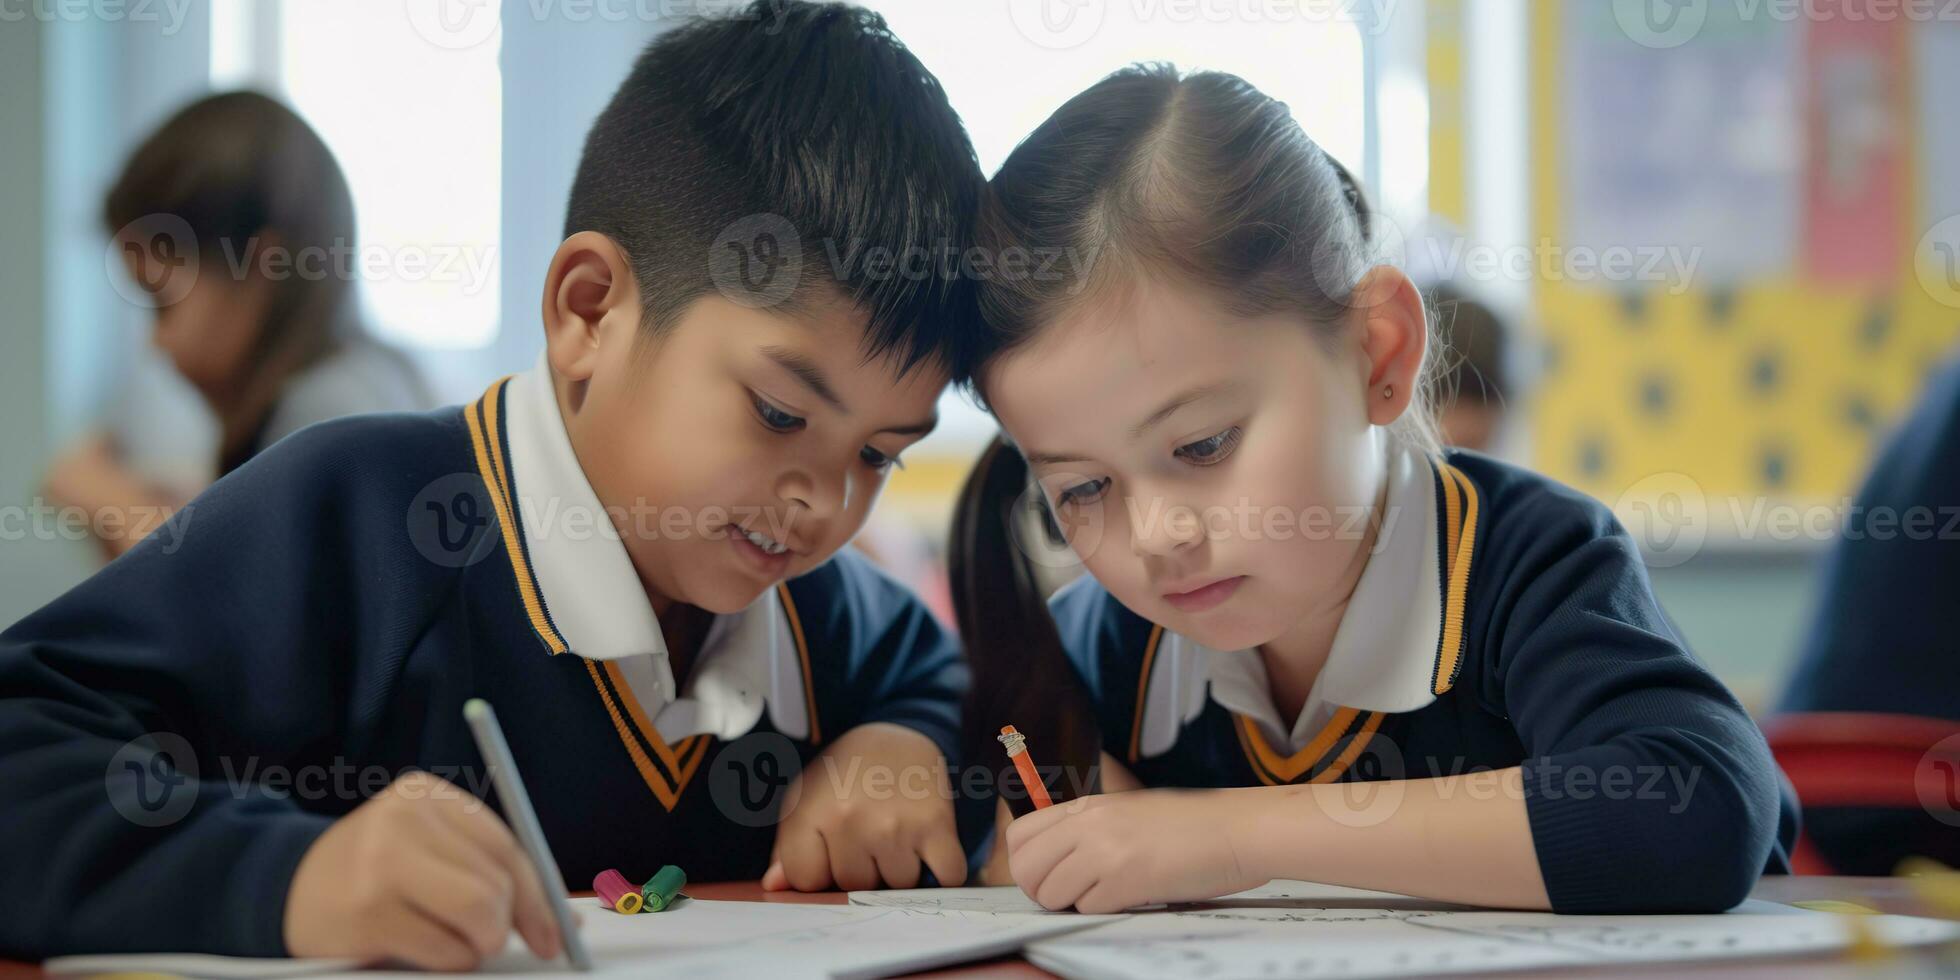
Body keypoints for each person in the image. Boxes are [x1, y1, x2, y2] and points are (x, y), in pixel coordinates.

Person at [0, 2, 984, 967]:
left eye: (876, 454)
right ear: (589, 312)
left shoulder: (818, 608)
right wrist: (290, 874)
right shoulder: (354, 518)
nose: (823, 504)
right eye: (777, 413)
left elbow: (938, 673)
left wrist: (899, 742)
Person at [951, 64, 1794, 914]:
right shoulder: (1104, 648)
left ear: (1376, 355)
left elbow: (1700, 807)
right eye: (1084, 487)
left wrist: (1227, 835)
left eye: (1204, 444)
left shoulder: (1530, 566)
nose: (1156, 535)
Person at [45, 91, 430, 559]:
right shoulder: (360, 385)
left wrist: (113, 502)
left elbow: (246, 616)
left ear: (260, 266)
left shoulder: (333, 417)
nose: (157, 343)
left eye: (161, 303)